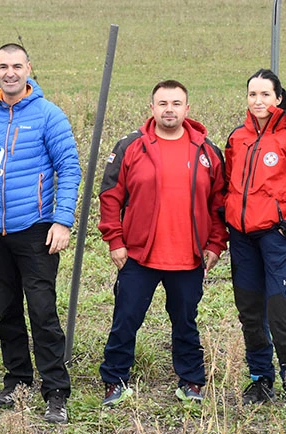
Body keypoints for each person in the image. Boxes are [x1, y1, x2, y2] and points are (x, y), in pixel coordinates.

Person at [0, 43, 81, 424]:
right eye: (2, 67)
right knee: (6, 308)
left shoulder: (49, 115)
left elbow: (70, 169)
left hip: (37, 229)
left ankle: (55, 390)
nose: (10, 73)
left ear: (29, 68)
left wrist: (62, 221)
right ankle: (17, 380)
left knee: (42, 310)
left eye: (17, 66)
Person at [97, 80, 227, 407]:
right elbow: (110, 196)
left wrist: (215, 243)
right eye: (163, 103)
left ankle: (191, 381)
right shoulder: (131, 146)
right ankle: (115, 380)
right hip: (139, 255)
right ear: (152, 108)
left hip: (188, 257)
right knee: (126, 318)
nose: (169, 109)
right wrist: (115, 240)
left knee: (186, 321)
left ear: (187, 108)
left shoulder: (207, 151)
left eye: (176, 103)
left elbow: (219, 204)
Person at [225, 69, 286, 408]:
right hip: (242, 239)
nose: (258, 101)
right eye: (253, 94)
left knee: (281, 314)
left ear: (278, 98)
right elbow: (227, 183)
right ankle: (260, 379)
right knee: (250, 313)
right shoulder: (237, 137)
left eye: (265, 94)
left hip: (277, 238)